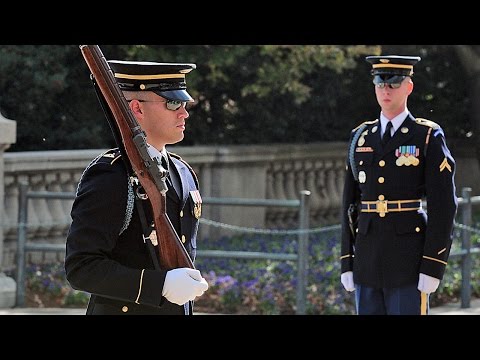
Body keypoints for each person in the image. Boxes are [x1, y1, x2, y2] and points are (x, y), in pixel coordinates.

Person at [65, 60, 209, 315]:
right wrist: (159, 286)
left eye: (184, 103)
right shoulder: (111, 175)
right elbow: (82, 267)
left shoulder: (184, 173)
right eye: (173, 103)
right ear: (136, 109)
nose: (184, 113)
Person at [340, 55, 458, 315]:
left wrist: (433, 264)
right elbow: (349, 205)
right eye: (379, 83)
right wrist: (346, 261)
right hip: (368, 259)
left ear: (409, 87)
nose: (385, 90)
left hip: (408, 261)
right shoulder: (360, 137)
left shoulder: (426, 135)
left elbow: (443, 205)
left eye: (393, 83)